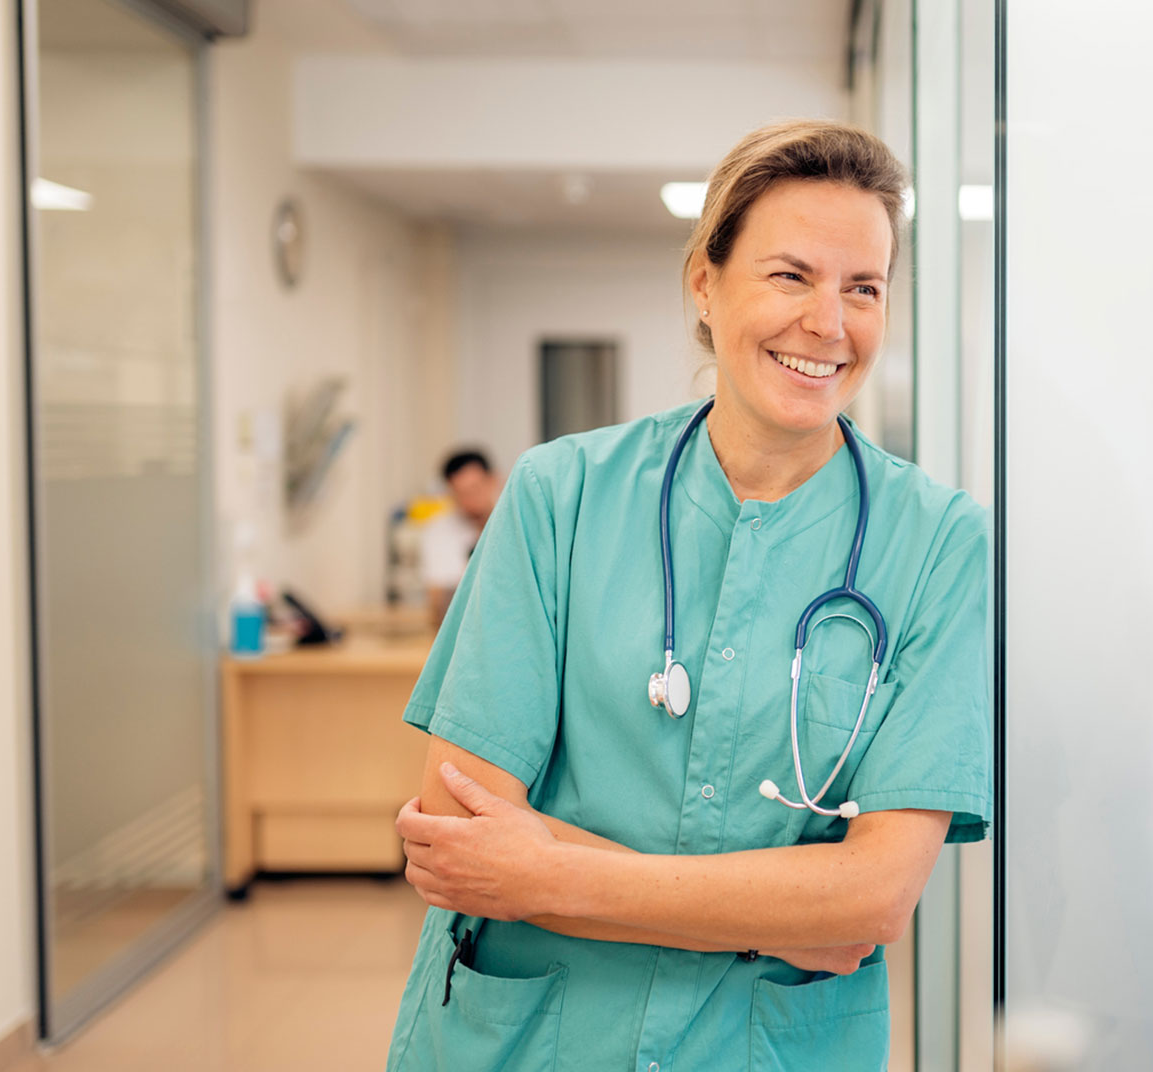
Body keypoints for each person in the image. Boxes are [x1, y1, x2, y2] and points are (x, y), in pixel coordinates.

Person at [385, 120, 992, 1071]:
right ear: (704, 285)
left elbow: (873, 899)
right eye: (790, 276)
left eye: (863, 288)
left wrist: (545, 872)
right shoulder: (561, 496)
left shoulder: (938, 543)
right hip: (532, 1041)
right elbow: (460, 838)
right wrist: (780, 916)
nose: (829, 324)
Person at [421, 448, 503, 629]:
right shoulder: (438, 533)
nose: (471, 499)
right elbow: (441, 598)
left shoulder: (514, 523)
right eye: (461, 493)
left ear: (494, 480)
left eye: (475, 489)